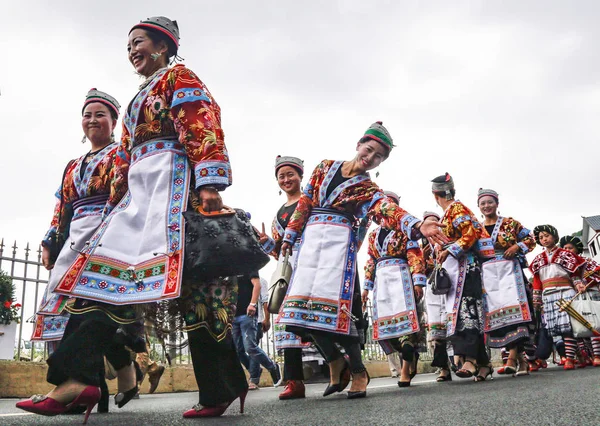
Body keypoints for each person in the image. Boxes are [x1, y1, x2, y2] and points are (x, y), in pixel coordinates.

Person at [21, 16, 246, 421]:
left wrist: (210, 182)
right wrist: (116, 203)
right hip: (139, 199)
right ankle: (76, 379)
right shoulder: (136, 99)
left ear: (162, 44)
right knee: (97, 282)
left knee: (201, 302)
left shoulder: (180, 78)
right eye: (128, 45)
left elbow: (201, 121)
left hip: (177, 191)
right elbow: (123, 158)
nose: (131, 51)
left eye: (138, 42)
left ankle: (223, 387)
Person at [278, 122, 447, 399]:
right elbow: (306, 202)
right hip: (309, 244)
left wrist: (417, 225)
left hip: (338, 247)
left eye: (378, 156)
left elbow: (385, 210)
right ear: (359, 145)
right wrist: (290, 235)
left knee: (341, 314)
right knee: (299, 315)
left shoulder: (368, 188)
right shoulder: (324, 167)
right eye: (368, 150)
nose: (370, 158)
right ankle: (335, 361)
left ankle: (357, 371)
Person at [18, 90, 138, 422]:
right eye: (87, 115)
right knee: (67, 309)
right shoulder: (73, 166)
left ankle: (81, 384)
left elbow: (126, 195)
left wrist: (115, 234)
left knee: (95, 307)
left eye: (101, 114)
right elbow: (62, 209)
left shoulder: (120, 154)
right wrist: (50, 242)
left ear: (114, 121)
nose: (92, 120)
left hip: (108, 232)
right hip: (75, 240)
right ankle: (101, 377)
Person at [430, 173, 495, 382]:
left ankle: (470, 360)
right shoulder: (449, 212)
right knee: (459, 312)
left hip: (465, 266)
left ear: (435, 195)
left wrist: (449, 250)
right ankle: (483, 364)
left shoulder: (456, 209)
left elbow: (470, 234)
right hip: (455, 268)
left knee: (466, 311)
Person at [258, 155, 312, 400]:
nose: (286, 179)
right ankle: (295, 381)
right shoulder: (279, 214)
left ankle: (341, 365)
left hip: (311, 264)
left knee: (316, 318)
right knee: (287, 320)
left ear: (300, 176)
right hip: (289, 269)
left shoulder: (310, 202)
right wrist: (266, 243)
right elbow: (279, 250)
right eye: (281, 176)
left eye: (290, 174)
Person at [362, 191, 427, 387]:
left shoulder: (405, 231)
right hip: (382, 280)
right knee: (390, 327)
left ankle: (405, 370)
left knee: (406, 324)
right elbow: (371, 261)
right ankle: (409, 359)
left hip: (401, 276)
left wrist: (417, 280)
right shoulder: (373, 235)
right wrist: (366, 287)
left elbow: (415, 254)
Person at [477, 188, 536, 376]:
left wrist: (516, 246)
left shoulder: (510, 223)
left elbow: (530, 239)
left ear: (497, 203)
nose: (487, 206)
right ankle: (521, 362)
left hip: (510, 271)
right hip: (488, 275)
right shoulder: (477, 228)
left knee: (515, 313)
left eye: (490, 202)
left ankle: (512, 358)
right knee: (501, 318)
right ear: (479, 206)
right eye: (483, 203)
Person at [530, 225, 586, 370]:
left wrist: (578, 283)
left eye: (547, 235)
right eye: (541, 237)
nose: (544, 239)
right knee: (555, 327)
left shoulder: (565, 254)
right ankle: (579, 355)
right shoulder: (538, 259)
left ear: (555, 237)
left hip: (565, 291)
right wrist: (536, 297)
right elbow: (536, 280)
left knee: (568, 326)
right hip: (548, 294)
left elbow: (574, 272)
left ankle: (569, 359)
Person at [232, 272, 281, 390]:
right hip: (234, 317)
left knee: (251, 347)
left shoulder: (257, 277)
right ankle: (255, 371)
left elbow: (265, 301)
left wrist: (267, 318)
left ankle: (259, 375)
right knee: (238, 350)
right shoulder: (230, 273)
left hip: (252, 317)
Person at [422, 211, 454, 382]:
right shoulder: (421, 246)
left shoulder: (448, 238)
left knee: (453, 324)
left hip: (450, 283)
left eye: (436, 221)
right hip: (432, 288)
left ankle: (459, 360)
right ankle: (443, 368)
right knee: (436, 329)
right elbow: (418, 267)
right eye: (429, 222)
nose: (433, 224)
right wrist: (424, 256)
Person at [559, 235, 600, 367]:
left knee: (594, 324)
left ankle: (597, 355)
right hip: (573, 297)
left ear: (577, 250)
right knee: (579, 327)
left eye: (570, 248)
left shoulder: (586, 261)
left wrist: (588, 280)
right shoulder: (561, 265)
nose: (567, 250)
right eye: (564, 248)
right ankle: (586, 355)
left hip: (591, 294)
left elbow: (597, 274)